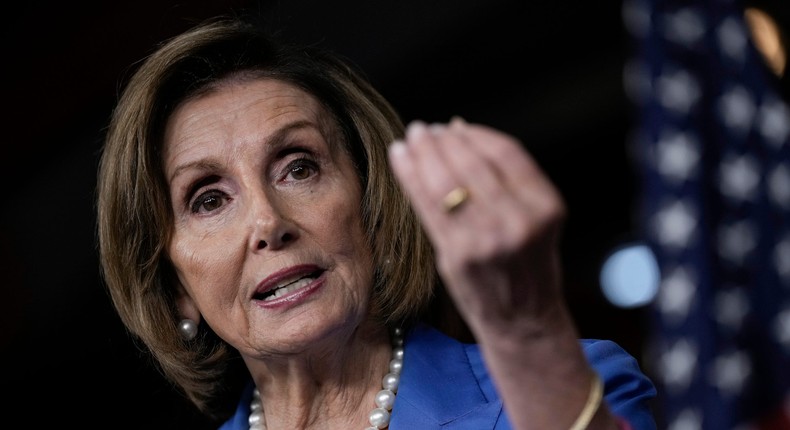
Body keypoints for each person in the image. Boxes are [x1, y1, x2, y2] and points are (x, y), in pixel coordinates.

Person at [96, 14, 657, 430]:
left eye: (298, 167)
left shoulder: (563, 386)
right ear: (175, 290)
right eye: (208, 200)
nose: (268, 221)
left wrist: (528, 331)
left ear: (373, 205)